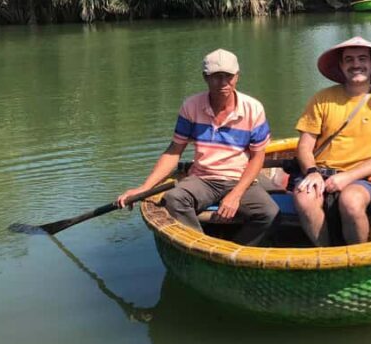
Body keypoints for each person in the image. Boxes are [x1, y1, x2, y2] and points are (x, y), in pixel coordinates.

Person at [117, 49, 278, 246]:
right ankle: (203, 246)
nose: (223, 83)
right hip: (203, 178)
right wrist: (144, 188)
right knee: (174, 199)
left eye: (228, 76)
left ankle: (236, 249)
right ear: (205, 77)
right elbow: (174, 151)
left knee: (270, 213)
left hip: (239, 178)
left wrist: (235, 195)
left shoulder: (253, 108)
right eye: (216, 77)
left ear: (237, 76)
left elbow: (257, 158)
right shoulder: (191, 106)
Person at [292, 36, 371, 246]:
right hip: (320, 171)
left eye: (362, 59)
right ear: (341, 65)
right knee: (304, 199)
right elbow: (305, 146)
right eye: (349, 59)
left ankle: (357, 257)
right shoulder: (322, 98)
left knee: (351, 202)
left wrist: (347, 177)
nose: (356, 64)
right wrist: (312, 172)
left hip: (361, 176)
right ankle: (326, 256)